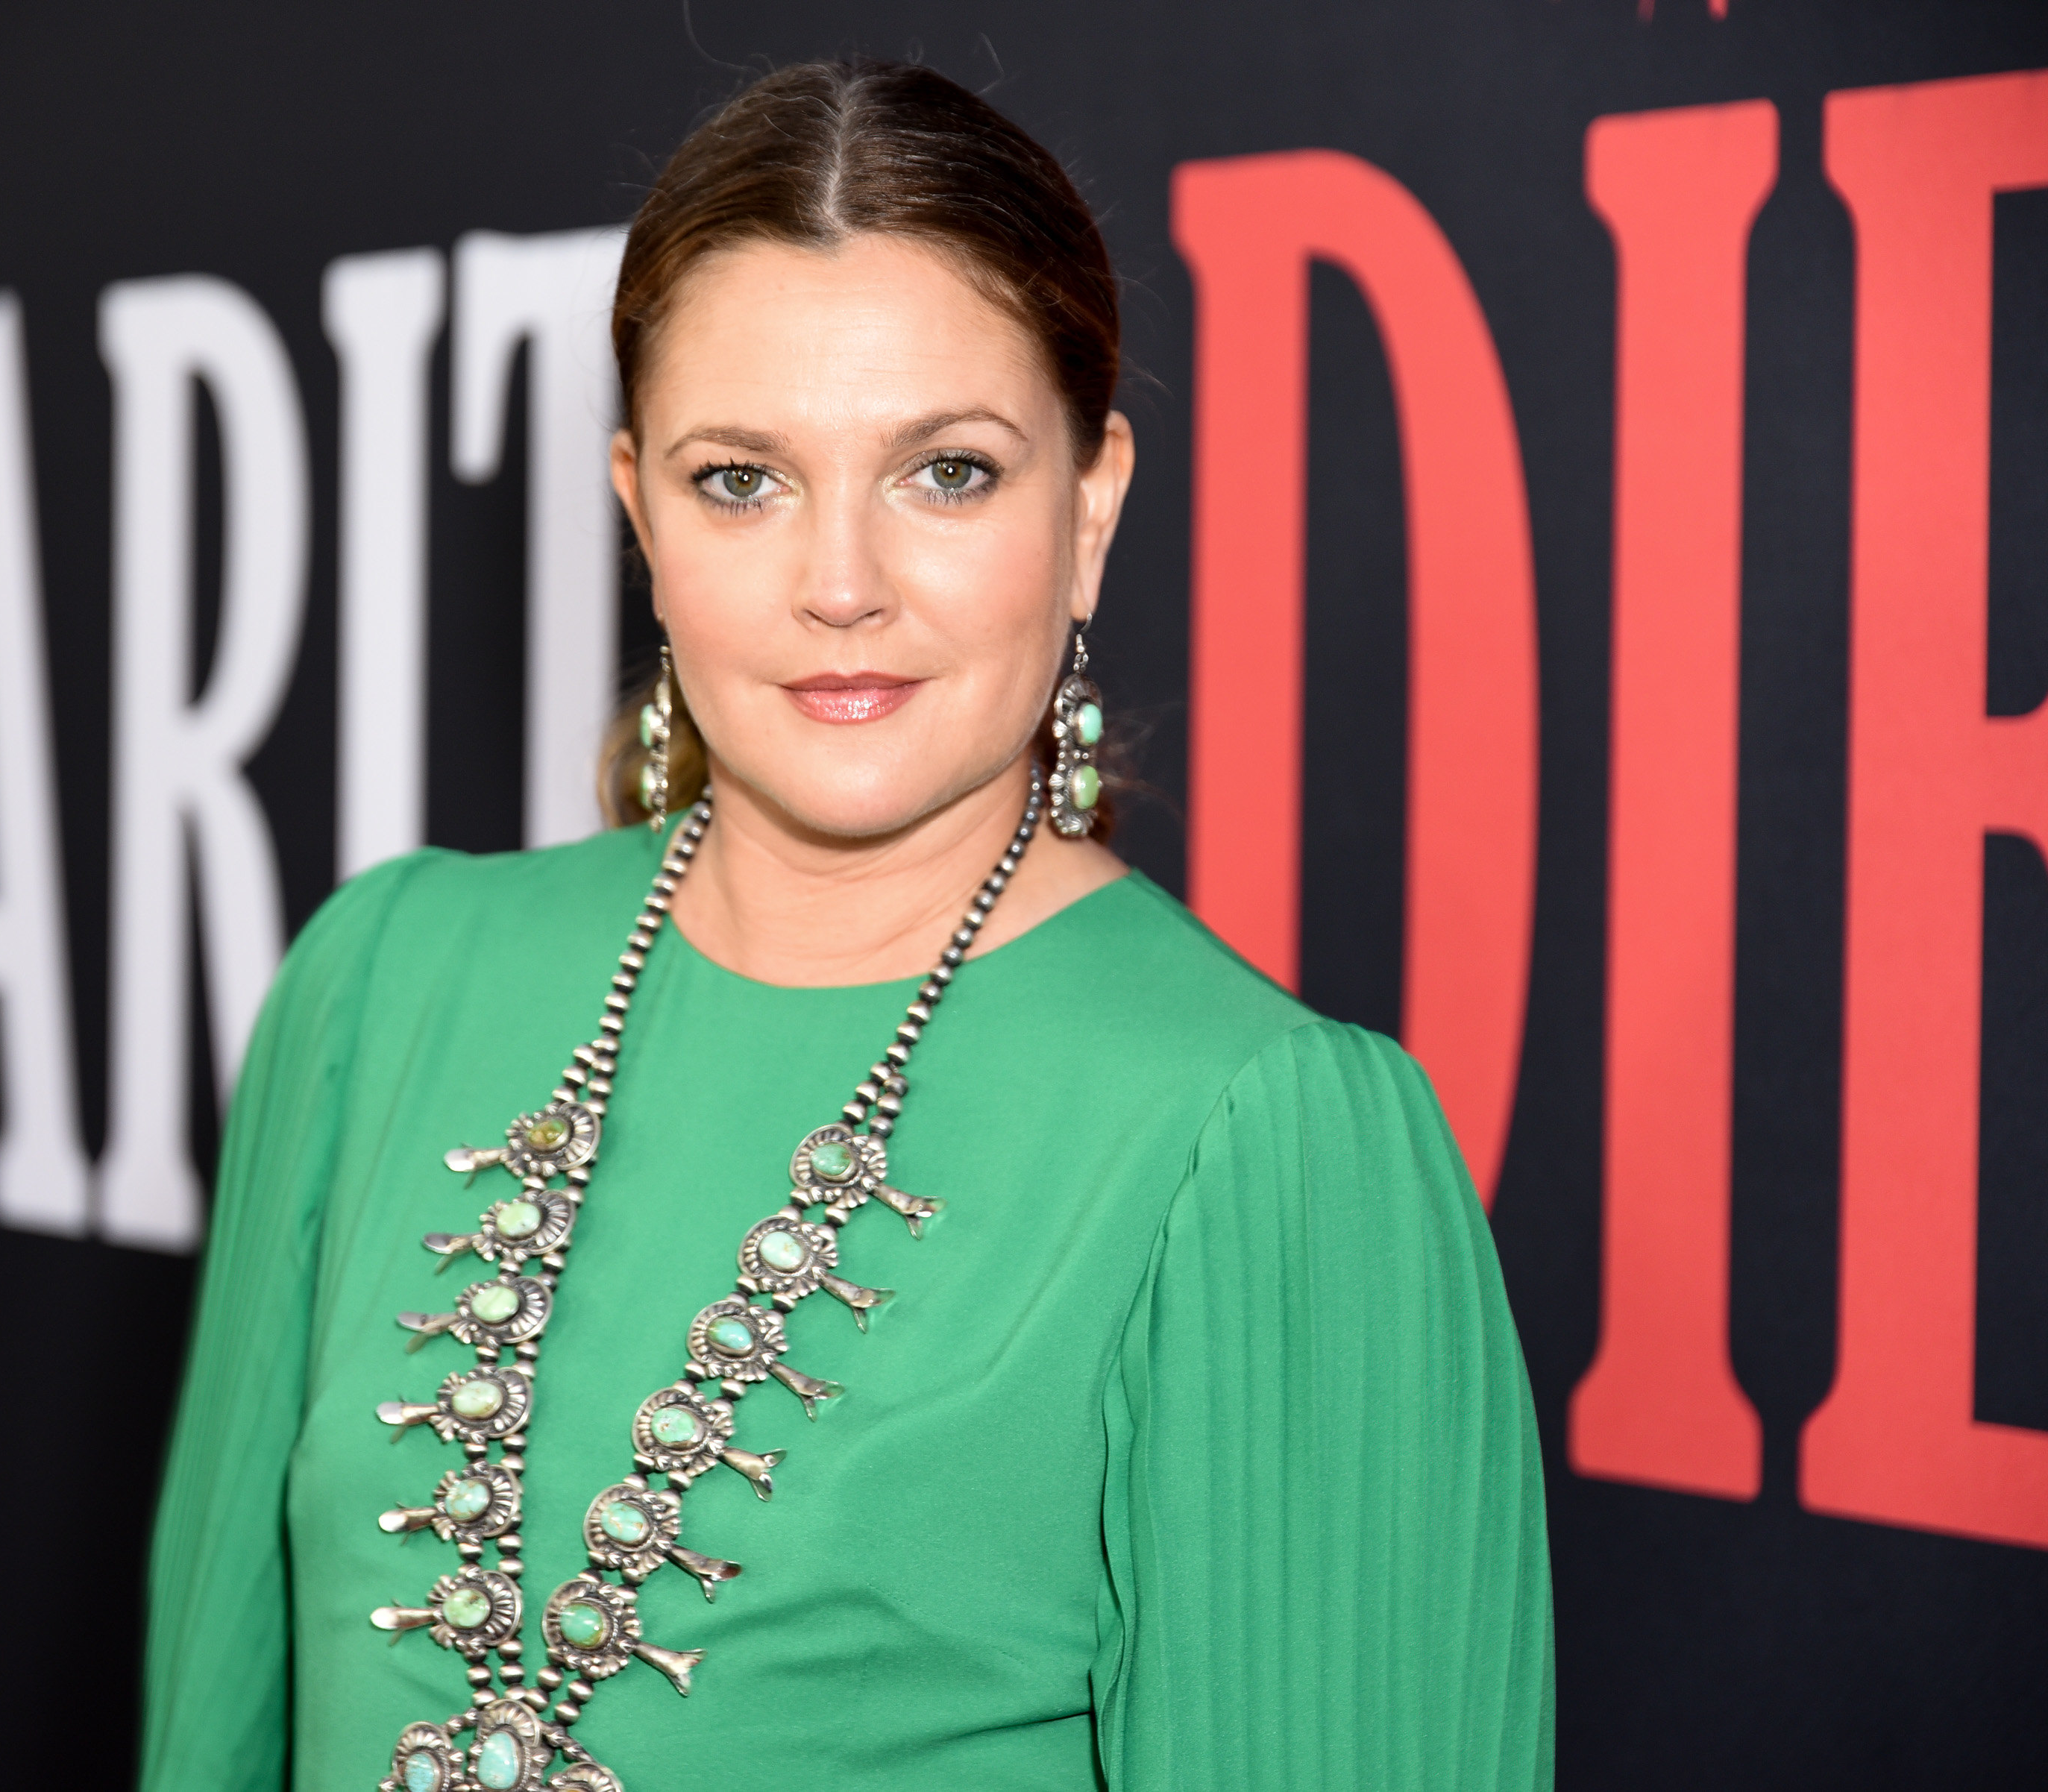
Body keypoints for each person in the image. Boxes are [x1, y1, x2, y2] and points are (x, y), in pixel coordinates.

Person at [139, 58, 1552, 1792]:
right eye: (743, 479)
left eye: (947, 472)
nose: (839, 583)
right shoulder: (387, 983)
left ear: (1089, 508)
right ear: (639, 508)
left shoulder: (1260, 1148)